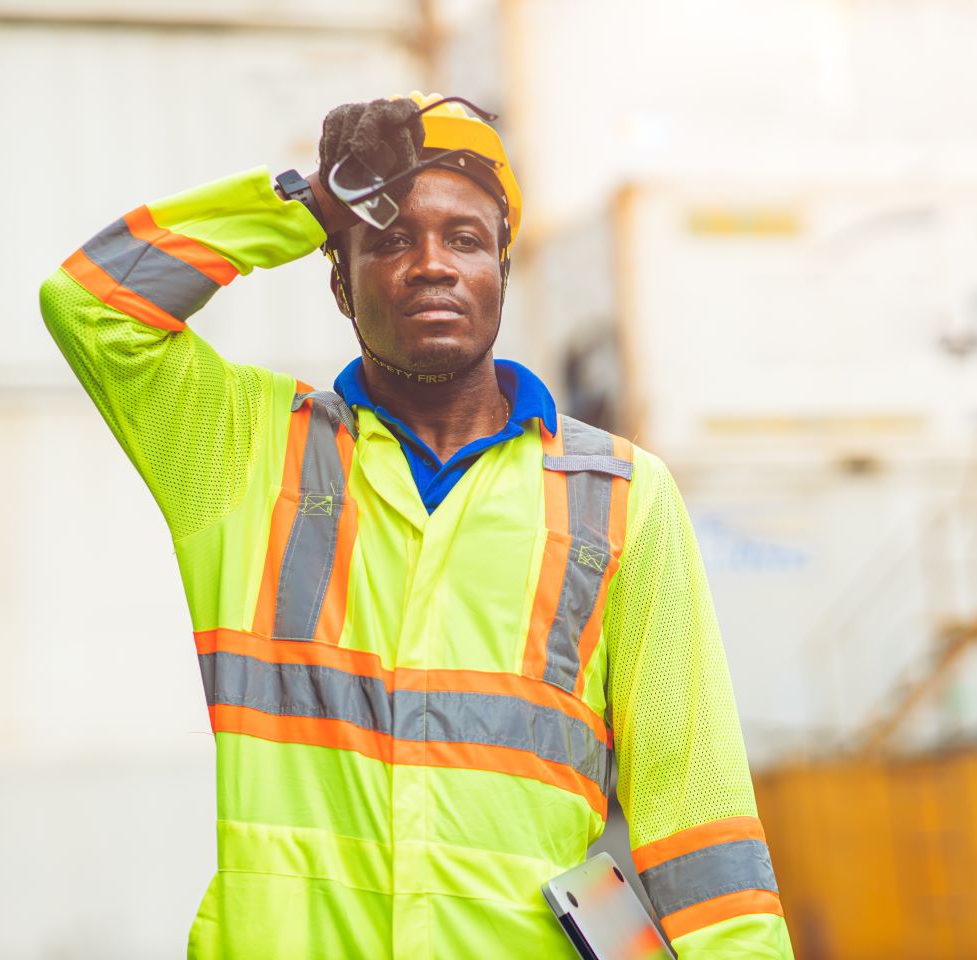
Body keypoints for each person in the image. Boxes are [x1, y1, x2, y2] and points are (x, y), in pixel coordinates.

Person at [39, 92, 794, 959]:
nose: (432, 264)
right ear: (337, 281)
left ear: (502, 274)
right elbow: (88, 306)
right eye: (392, 239)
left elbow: (697, 816)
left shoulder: (622, 496)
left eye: (466, 239)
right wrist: (307, 201)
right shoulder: (244, 451)